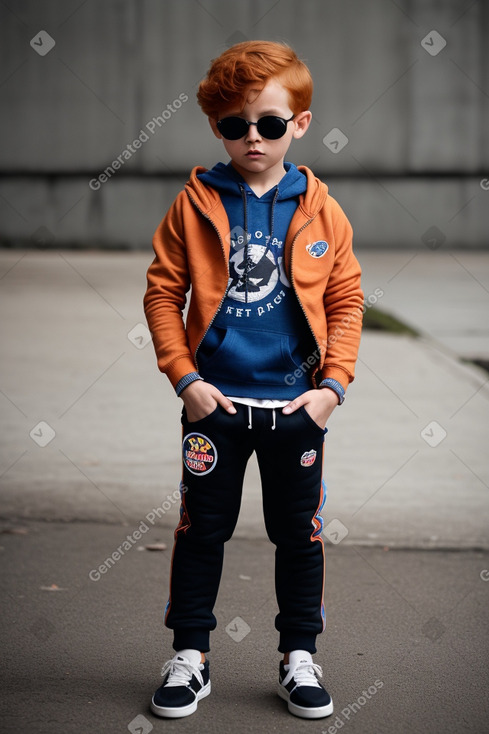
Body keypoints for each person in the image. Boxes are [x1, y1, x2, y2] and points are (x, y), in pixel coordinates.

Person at [143, 40, 363, 720]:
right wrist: (186, 381)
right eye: (234, 125)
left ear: (299, 122)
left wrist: (330, 390)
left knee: (297, 533)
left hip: (295, 407)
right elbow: (162, 294)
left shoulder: (321, 209)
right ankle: (191, 656)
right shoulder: (195, 203)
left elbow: (346, 300)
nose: (252, 138)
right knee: (200, 530)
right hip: (215, 406)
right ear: (216, 127)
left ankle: (299, 656)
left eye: (269, 124)